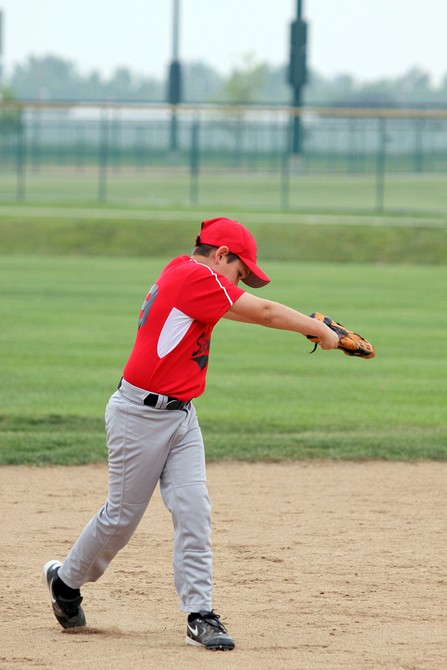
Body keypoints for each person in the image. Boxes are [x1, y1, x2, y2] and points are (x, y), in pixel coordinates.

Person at [43, 217, 339, 651]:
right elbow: (264, 312)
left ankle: (200, 615)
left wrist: (311, 325)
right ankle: (66, 583)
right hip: (138, 417)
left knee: (194, 509)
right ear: (221, 255)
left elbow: (245, 311)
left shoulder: (186, 273)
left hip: (181, 417)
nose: (240, 283)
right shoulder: (193, 276)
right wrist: (320, 330)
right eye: (240, 272)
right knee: (121, 518)